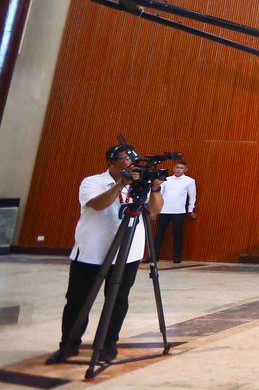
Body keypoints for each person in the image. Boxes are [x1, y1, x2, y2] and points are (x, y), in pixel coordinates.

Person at [46, 145, 164, 365]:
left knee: (117, 300)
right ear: (111, 161)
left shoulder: (141, 185)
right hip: (92, 252)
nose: (131, 162)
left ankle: (107, 345)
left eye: (133, 158)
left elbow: (155, 210)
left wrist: (155, 190)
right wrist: (122, 184)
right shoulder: (92, 182)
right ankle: (69, 346)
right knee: (78, 301)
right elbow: (98, 205)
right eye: (125, 159)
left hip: (127, 254)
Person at [153, 160, 196, 264]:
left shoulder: (189, 181)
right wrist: (155, 210)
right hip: (164, 210)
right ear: (173, 168)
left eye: (181, 168)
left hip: (179, 211)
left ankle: (177, 257)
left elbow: (192, 196)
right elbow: (159, 195)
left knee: (178, 235)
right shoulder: (166, 180)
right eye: (177, 167)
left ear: (185, 170)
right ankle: (154, 256)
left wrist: (190, 210)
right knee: (159, 234)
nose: (178, 169)